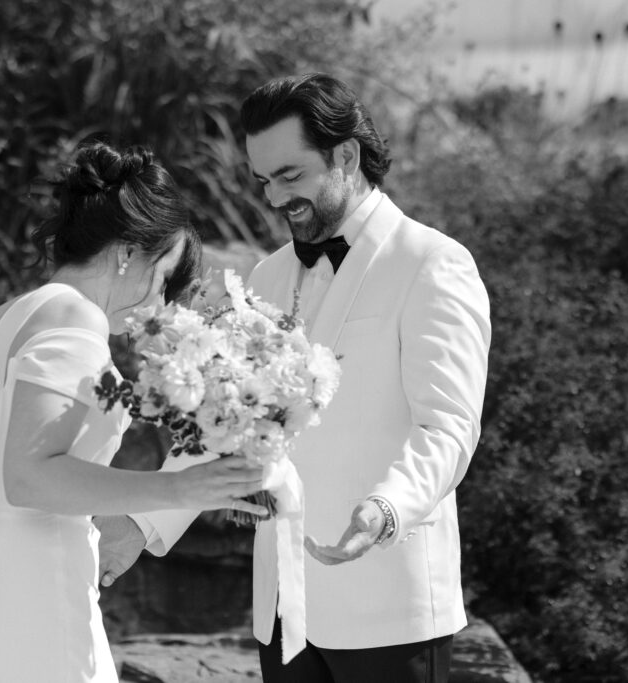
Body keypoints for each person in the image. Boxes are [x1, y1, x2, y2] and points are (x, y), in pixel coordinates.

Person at [96, 73, 492, 683]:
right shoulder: (267, 277)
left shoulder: (434, 264)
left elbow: (449, 427)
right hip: (282, 610)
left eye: (291, 176)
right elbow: (225, 425)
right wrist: (144, 523)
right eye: (263, 181)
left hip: (389, 606)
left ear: (347, 156)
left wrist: (387, 509)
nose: (276, 199)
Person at [0, 141, 268, 683]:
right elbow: (28, 477)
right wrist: (180, 491)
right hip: (28, 599)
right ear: (126, 252)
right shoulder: (74, 319)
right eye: (164, 278)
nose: (160, 304)